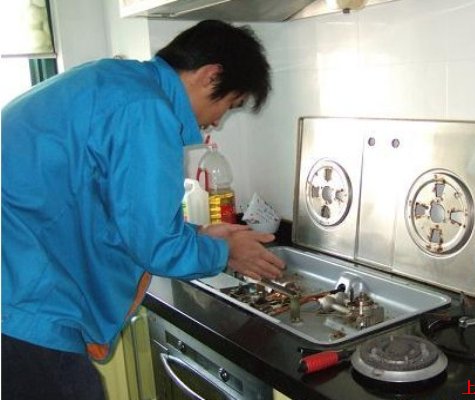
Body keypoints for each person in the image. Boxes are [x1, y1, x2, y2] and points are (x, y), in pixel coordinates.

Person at [1, 20, 285, 400]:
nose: (218, 121)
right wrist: (225, 251)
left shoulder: (118, 82)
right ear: (210, 75)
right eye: (228, 105)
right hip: (23, 306)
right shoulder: (146, 109)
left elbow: (118, 212)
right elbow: (155, 245)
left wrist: (200, 235)